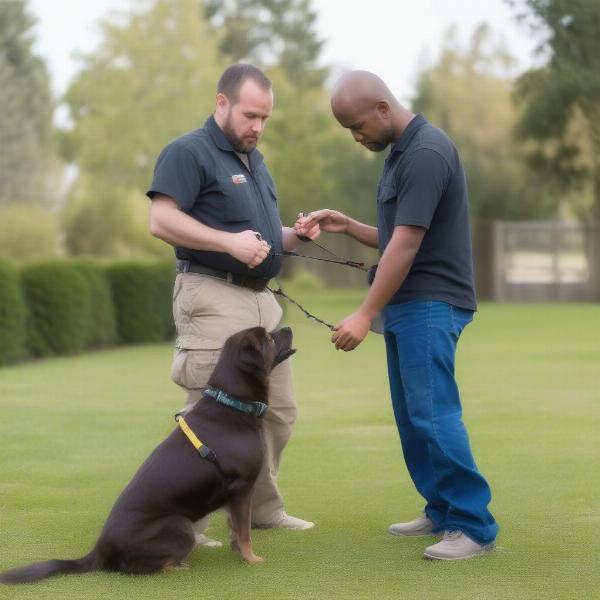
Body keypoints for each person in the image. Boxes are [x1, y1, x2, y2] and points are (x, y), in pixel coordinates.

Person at [295, 70, 498, 560]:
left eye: (357, 125)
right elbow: (396, 234)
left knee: (433, 412)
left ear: (383, 109)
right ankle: (442, 508)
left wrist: (365, 313)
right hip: (409, 304)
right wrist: (347, 226)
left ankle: (473, 525)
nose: (356, 136)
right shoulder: (400, 154)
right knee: (413, 417)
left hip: (430, 300)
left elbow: (406, 246)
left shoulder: (426, 153)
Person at [147, 64, 315, 545]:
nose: (257, 127)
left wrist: (294, 237)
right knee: (208, 416)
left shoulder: (255, 162)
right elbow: (160, 220)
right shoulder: (188, 152)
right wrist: (228, 243)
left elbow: (260, 239)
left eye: (265, 118)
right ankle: (186, 523)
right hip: (212, 293)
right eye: (249, 115)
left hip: (261, 302)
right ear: (221, 103)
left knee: (278, 412)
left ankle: (260, 510)